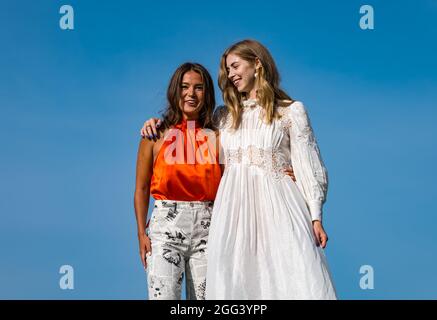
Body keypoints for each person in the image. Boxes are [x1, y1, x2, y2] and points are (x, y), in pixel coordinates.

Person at [134, 62, 222, 300]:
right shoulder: (155, 134)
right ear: (175, 90)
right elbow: (141, 187)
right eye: (184, 87)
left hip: (209, 228)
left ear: (208, 93)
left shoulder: (219, 136)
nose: (191, 94)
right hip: (165, 229)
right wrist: (141, 233)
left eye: (199, 88)